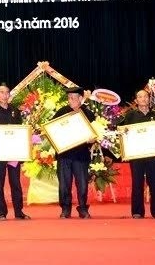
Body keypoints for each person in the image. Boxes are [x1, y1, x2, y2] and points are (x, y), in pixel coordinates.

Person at [0, 83, 30, 221]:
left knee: (15, 182)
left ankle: (19, 212)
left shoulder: (15, 111)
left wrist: (23, 149)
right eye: (2, 92)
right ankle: (1, 213)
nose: (5, 95)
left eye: (7, 92)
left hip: (13, 153)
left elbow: (21, 131)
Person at [119, 90, 155, 219]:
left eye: (146, 96)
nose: (143, 99)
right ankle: (137, 211)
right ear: (136, 100)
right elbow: (123, 134)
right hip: (136, 155)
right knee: (137, 183)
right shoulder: (130, 116)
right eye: (140, 96)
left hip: (153, 154)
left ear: (149, 99)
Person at [52, 86, 95, 219]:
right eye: (68, 98)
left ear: (81, 98)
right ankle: (65, 209)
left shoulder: (88, 114)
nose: (70, 100)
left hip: (81, 155)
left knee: (82, 184)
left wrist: (93, 139)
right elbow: (52, 129)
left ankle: (82, 208)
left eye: (73, 98)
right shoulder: (61, 112)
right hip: (64, 155)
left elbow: (95, 132)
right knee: (64, 184)